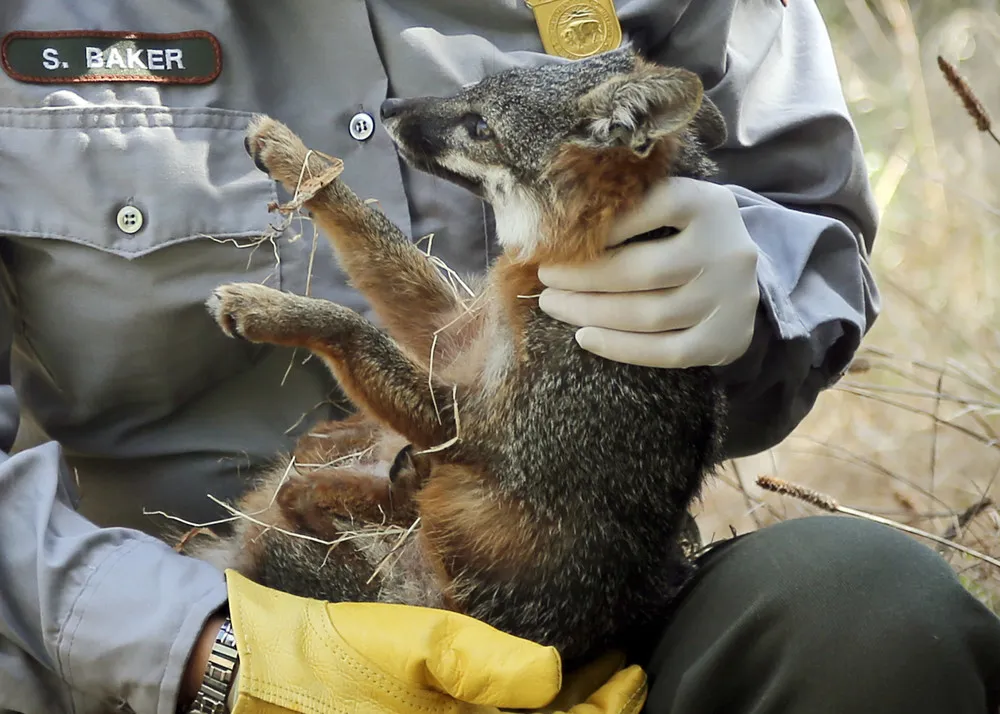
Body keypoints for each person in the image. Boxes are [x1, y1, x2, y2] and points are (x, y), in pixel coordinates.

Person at [1, 1, 998, 713]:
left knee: (868, 614)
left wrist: (758, 283)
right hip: (155, 630)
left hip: (562, 623)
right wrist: (198, 651)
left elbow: (810, 215)